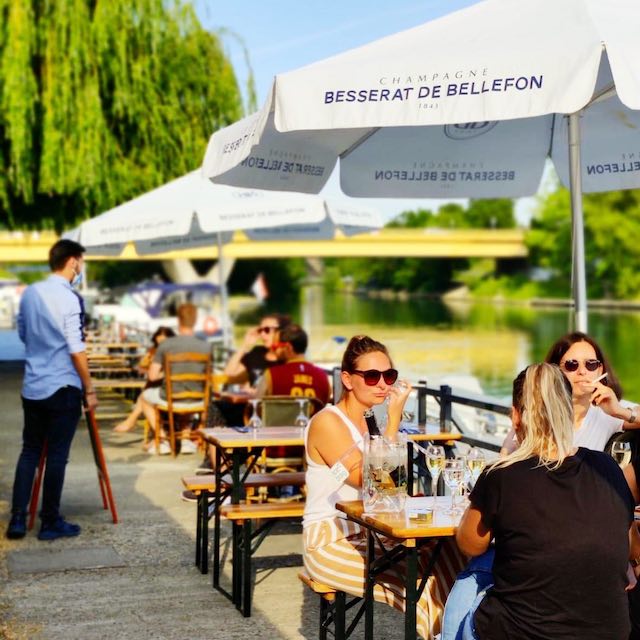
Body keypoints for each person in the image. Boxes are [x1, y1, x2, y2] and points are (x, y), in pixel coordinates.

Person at [449, 363, 634, 640]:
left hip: (521, 633)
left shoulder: (501, 475)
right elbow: (625, 540)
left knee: (473, 575)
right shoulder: (607, 466)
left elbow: (470, 543)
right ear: (568, 411)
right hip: (609, 631)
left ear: (516, 417)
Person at [303, 335, 465, 640]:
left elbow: (396, 488)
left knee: (456, 557)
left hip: (376, 533)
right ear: (348, 380)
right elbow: (373, 481)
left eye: (389, 375)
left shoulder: (369, 423)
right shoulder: (328, 421)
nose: (382, 384)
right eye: (372, 376)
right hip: (330, 538)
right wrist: (393, 420)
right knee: (422, 583)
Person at [6, 239, 97, 541]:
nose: (80, 267)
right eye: (80, 262)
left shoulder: (31, 293)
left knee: (30, 451)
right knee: (57, 455)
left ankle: (18, 519)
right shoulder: (69, 298)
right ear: (72, 261)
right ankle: (50, 520)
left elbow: (22, 331)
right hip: (63, 385)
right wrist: (90, 386)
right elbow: (76, 346)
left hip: (33, 384)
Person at [501, 331, 639, 454]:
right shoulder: (538, 410)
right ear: (554, 370)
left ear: (600, 370)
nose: (582, 371)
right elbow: (507, 452)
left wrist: (620, 411)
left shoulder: (608, 410)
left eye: (591, 364)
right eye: (572, 365)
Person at [140, 303, 210, 455]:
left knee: (144, 398)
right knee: (189, 392)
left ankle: (163, 440)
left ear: (178, 321)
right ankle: (186, 440)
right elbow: (208, 377)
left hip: (170, 398)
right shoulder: (206, 347)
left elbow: (152, 376)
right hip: (198, 399)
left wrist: (168, 374)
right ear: (195, 321)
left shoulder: (166, 345)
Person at [113, 326, 175, 433]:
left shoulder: (172, 352)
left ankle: (131, 421)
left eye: (163, 339)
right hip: (159, 384)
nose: (161, 342)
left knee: (144, 396)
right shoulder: (153, 350)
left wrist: (155, 373)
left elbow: (168, 372)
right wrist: (145, 368)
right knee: (146, 392)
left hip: (168, 387)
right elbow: (143, 365)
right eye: (159, 339)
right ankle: (132, 421)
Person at [256, 323, 330, 407]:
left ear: (288, 347)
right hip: (312, 420)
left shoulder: (271, 375)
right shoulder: (323, 377)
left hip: (280, 420)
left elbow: (255, 408)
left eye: (275, 347)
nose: (273, 351)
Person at [222, 313, 290, 387]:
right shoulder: (257, 353)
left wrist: (255, 392)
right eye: (260, 330)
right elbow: (229, 374)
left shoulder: (289, 359)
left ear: (280, 332)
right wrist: (245, 344)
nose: (262, 334)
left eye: (267, 330)